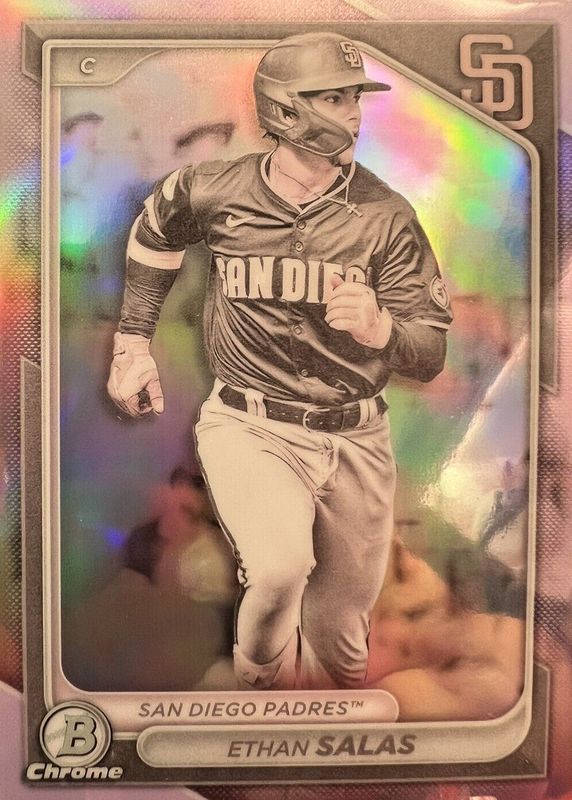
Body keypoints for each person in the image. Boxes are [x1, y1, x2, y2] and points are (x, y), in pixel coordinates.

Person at [107, 31, 453, 691]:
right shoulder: (215, 187)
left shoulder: (386, 216)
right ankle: (261, 686)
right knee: (279, 569)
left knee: (341, 634)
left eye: (354, 98)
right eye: (333, 97)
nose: (352, 113)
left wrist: (381, 328)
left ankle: (325, 723)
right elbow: (155, 230)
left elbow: (430, 351)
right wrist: (132, 343)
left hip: (356, 436)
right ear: (284, 107)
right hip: (249, 423)